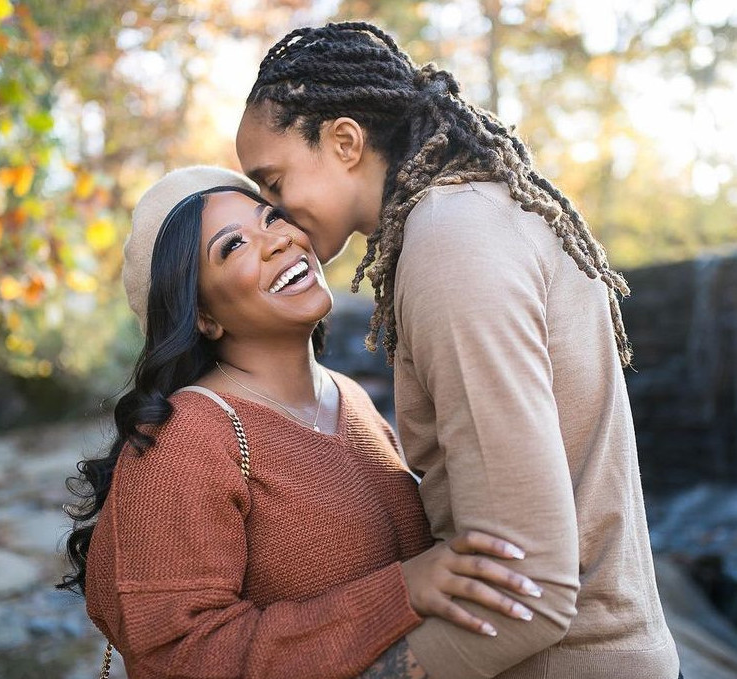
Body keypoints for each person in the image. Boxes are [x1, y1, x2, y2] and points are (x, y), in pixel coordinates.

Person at [235, 21, 682, 679]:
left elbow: (526, 589)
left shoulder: (450, 243)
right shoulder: (474, 214)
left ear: (344, 141)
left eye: (272, 183)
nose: (270, 213)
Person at [58, 166, 542, 679]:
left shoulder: (350, 398)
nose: (277, 241)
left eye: (272, 217)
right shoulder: (186, 436)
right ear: (202, 316)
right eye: (233, 245)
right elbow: (180, 656)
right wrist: (403, 591)